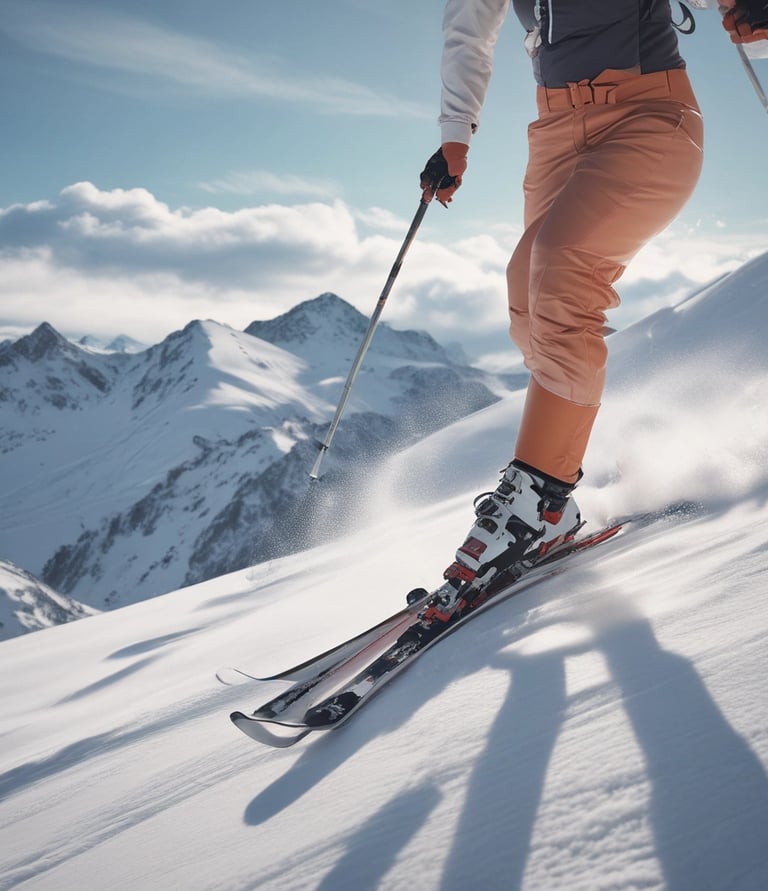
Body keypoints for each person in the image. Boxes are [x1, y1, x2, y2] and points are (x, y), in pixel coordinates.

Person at [418, 1, 762, 591]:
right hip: (555, 131)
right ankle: (556, 510)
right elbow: (469, 29)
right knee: (528, 298)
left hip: (650, 114)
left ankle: (535, 496)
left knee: (561, 275)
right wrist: (456, 136)